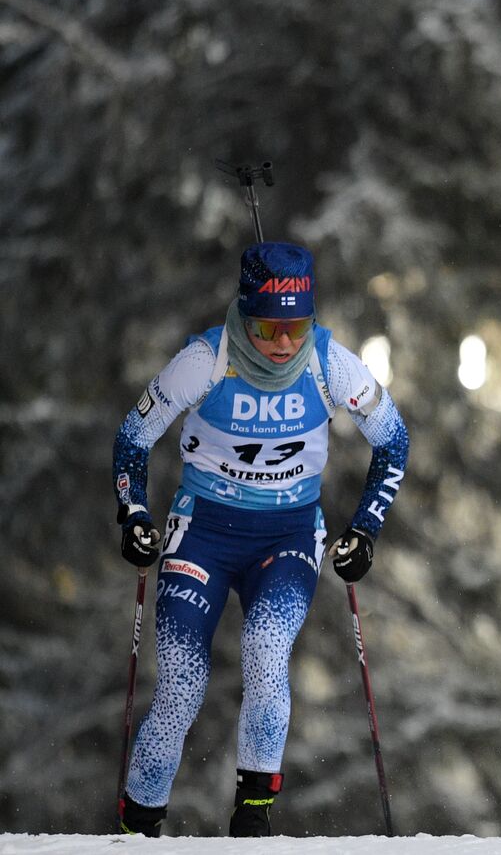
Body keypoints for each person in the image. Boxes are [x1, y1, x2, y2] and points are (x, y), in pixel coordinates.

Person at [111, 242, 410, 837]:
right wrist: (134, 514)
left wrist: (365, 530)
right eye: (269, 327)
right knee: (181, 681)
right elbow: (132, 438)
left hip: (287, 534)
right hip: (202, 535)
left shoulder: (331, 363)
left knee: (267, 650)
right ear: (244, 314)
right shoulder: (205, 358)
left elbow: (394, 440)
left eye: (296, 326)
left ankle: (253, 819)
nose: (282, 343)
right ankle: (137, 828)